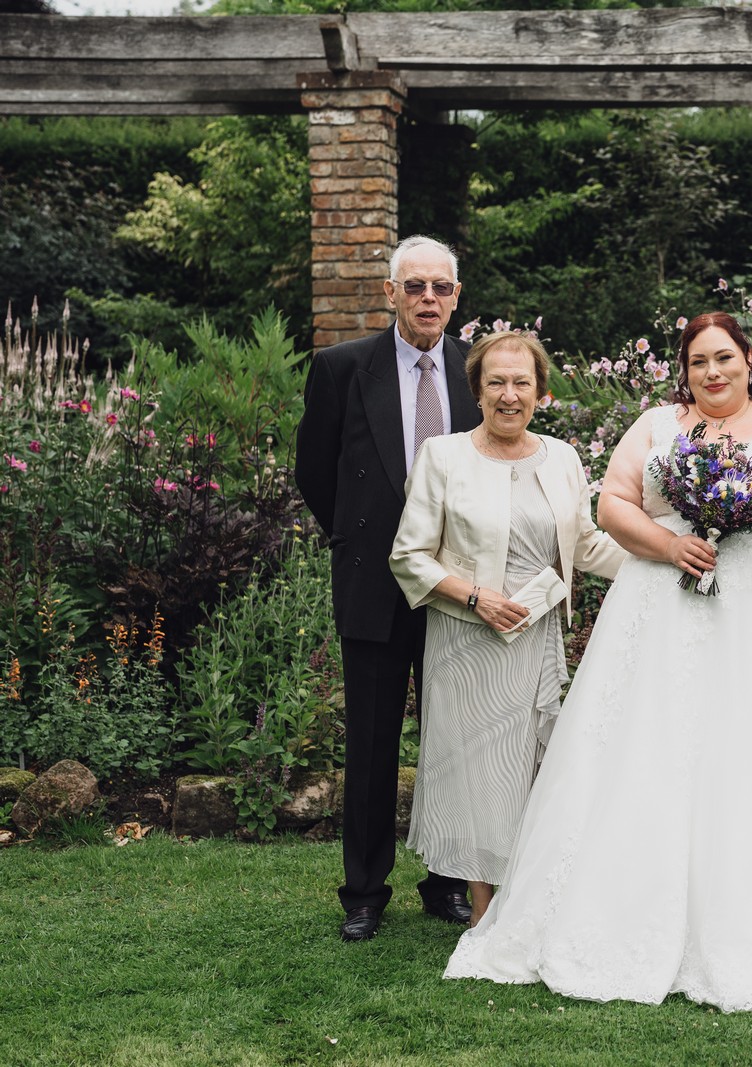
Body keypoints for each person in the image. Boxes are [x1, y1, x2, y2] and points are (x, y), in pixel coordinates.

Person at [444, 312, 752, 1011]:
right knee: (649, 751)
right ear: (683, 369)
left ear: (748, 360)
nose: (712, 372)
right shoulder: (655, 425)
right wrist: (666, 542)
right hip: (662, 607)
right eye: (698, 362)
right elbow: (613, 502)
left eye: (724, 358)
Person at [389, 331, 626, 928]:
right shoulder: (442, 457)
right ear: (477, 390)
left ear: (540, 392)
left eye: (522, 382)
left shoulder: (563, 458)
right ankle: (482, 912)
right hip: (469, 639)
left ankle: (532, 897)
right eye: (496, 381)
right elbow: (409, 555)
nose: (509, 394)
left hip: (536, 636)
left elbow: (587, 543)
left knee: (532, 767)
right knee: (478, 773)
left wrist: (666, 558)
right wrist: (475, 597)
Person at [296, 235, 482, 941]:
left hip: (457, 589)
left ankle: (446, 881)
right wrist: (357, 539)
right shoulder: (343, 368)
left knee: (453, 741)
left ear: (456, 297)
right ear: (391, 293)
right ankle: (365, 893)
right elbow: (314, 471)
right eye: (415, 287)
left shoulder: (478, 372)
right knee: (371, 743)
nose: (428, 298)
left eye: (441, 287)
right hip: (374, 580)